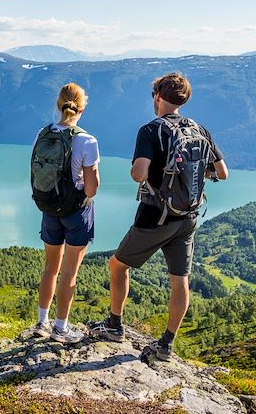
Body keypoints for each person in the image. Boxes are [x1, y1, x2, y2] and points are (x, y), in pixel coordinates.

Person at [88, 72, 228, 360]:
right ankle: (166, 344)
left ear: (158, 97)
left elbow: (139, 173)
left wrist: (139, 171)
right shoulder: (200, 129)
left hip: (155, 216)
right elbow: (222, 173)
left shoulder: (151, 130)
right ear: (183, 99)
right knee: (180, 281)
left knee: (117, 265)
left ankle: (115, 325)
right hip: (188, 217)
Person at [30, 83, 100, 344]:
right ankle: (61, 328)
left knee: (50, 268)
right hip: (76, 213)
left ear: (58, 105)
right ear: (82, 107)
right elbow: (91, 188)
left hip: (49, 208)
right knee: (70, 272)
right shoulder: (86, 140)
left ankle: (41, 322)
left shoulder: (43, 133)